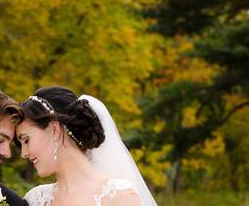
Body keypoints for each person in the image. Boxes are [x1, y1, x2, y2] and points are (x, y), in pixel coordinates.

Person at [17, 87, 158, 206]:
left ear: (54, 130)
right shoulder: (35, 200)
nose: (23, 153)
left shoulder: (118, 197)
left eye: (26, 140)